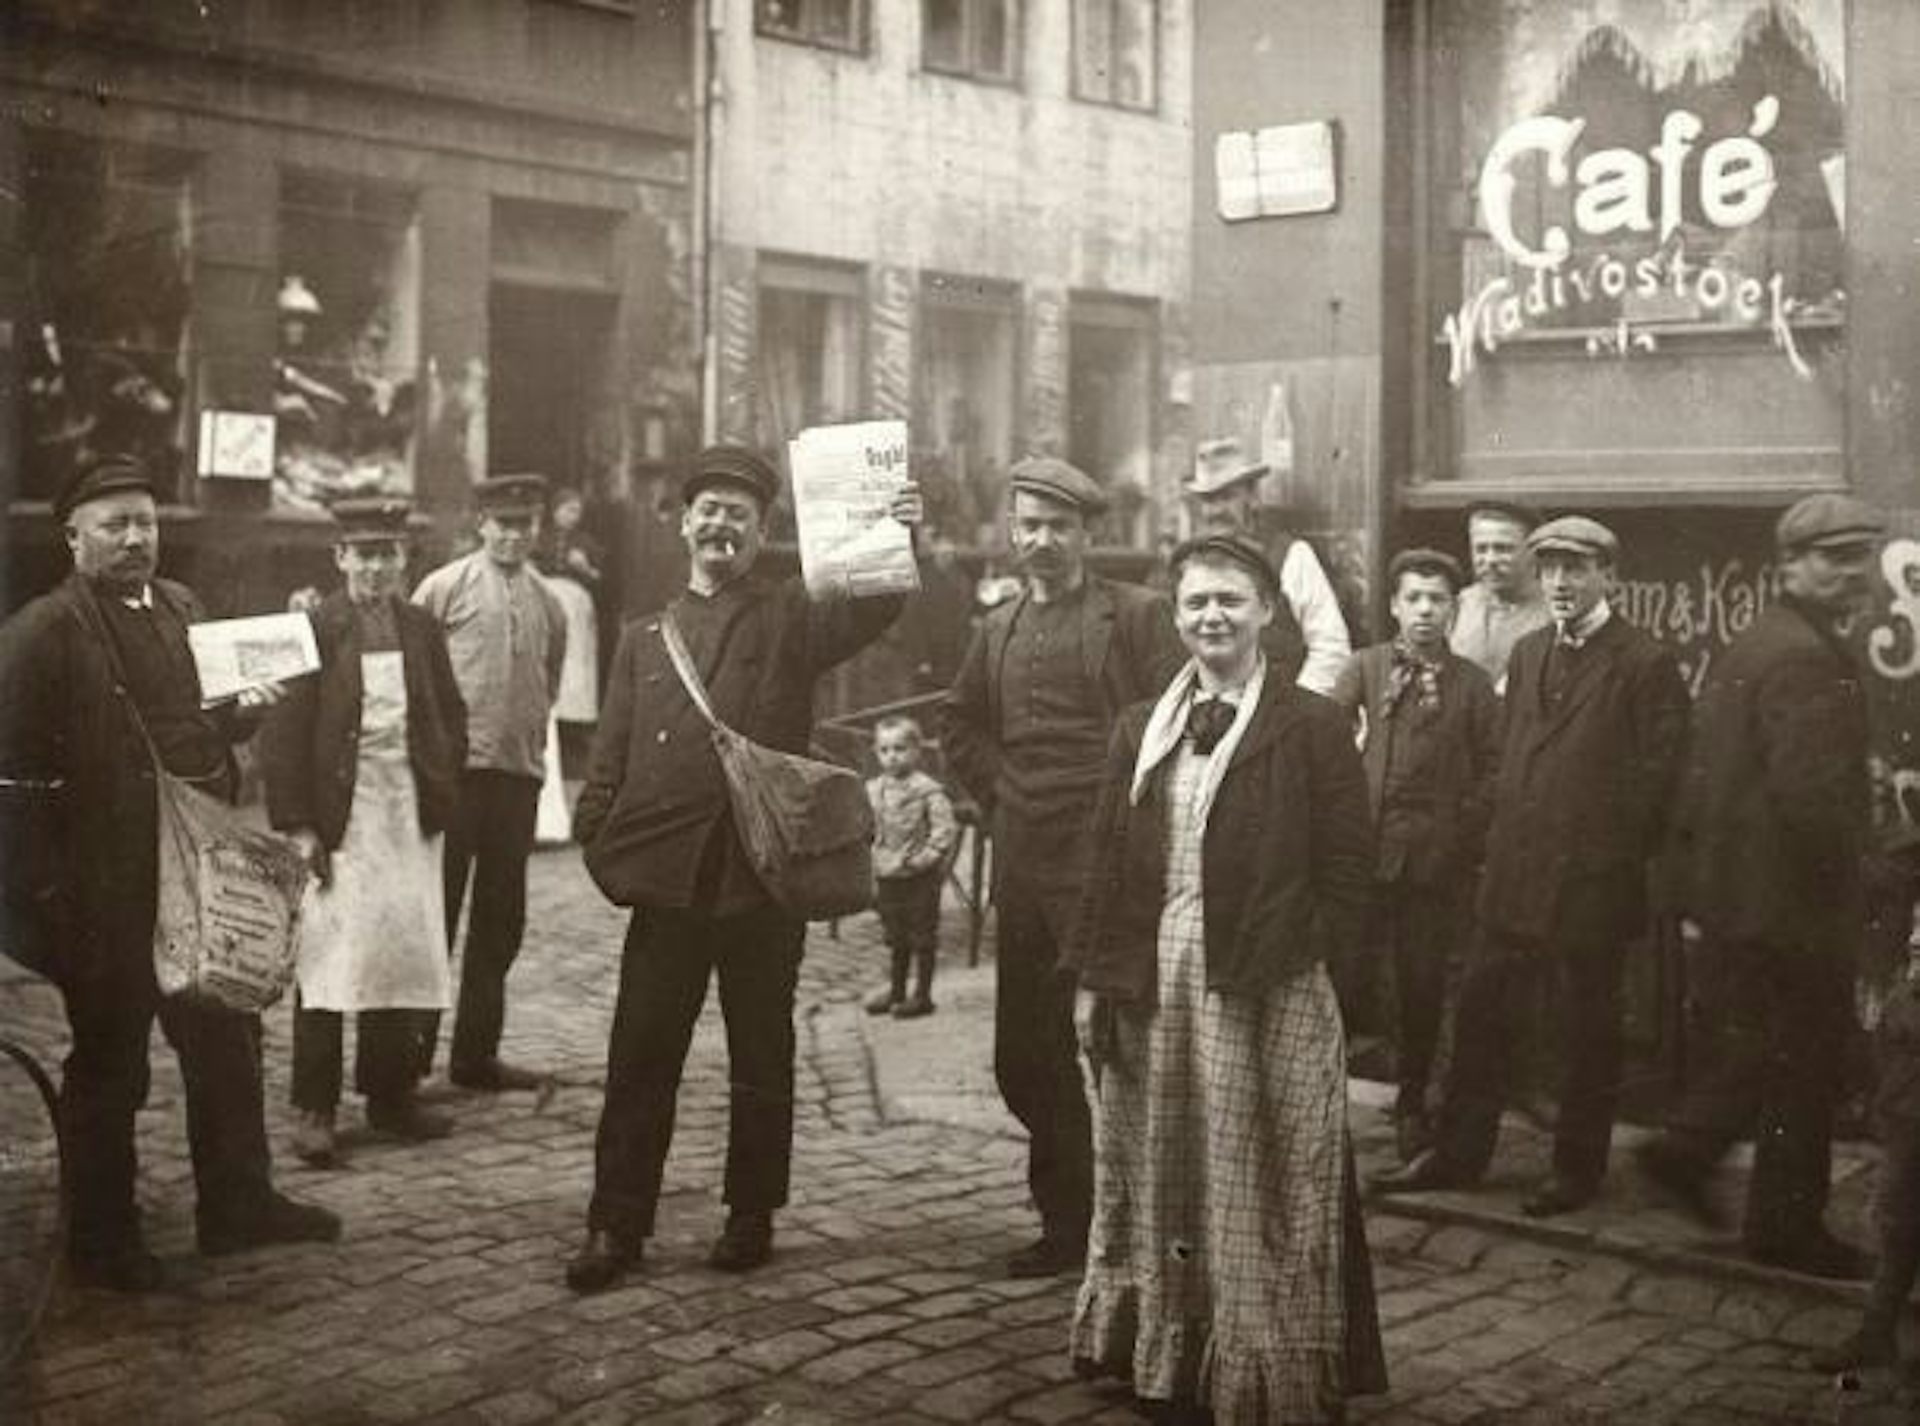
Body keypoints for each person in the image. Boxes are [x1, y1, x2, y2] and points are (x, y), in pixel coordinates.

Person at [566, 444, 922, 1291]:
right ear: (684, 524)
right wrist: (599, 844)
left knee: (762, 1053)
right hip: (668, 882)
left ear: (763, 534)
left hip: (762, 877)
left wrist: (899, 536)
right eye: (710, 510)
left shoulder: (792, 616)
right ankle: (616, 1224)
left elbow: (871, 605)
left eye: (741, 514)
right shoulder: (642, 639)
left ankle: (751, 1212)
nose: (722, 525)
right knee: (640, 1056)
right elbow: (609, 760)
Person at [1064, 533, 1386, 1423]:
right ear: (1176, 618)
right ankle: (1163, 1353)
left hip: (1265, 979)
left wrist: (1310, 965)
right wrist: (1094, 978)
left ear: (1267, 615)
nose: (1214, 617)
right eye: (1197, 602)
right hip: (1153, 974)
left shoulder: (1313, 725)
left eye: (1231, 602)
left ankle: (1260, 1366)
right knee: (1157, 1160)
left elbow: (1352, 872)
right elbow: (1104, 863)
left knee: (1259, 1175)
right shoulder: (1139, 727)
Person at [0, 453, 339, 1290]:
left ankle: (237, 1204)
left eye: (145, 522)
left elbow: (200, 730)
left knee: (227, 1038)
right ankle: (102, 1244)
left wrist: (240, 718)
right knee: (111, 1064)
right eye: (113, 525)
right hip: (103, 893)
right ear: (72, 536)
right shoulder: (41, 633)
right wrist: (50, 904)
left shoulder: (181, 607)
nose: (133, 540)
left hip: (197, 873)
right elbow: (12, 786)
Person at [1374, 516, 1689, 1217]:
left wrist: (1601, 853)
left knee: (1585, 1031)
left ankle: (1576, 1170)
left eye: (1576, 569)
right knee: (1482, 1014)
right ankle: (1457, 1155)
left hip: (1589, 881)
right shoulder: (1528, 653)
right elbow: (1517, 756)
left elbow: (1659, 784)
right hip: (1514, 871)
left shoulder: (1643, 662)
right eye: (1548, 569)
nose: (1560, 583)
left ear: (1610, 576)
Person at [941, 456, 1185, 1279]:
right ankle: (1068, 1221)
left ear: (1089, 535)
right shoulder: (996, 629)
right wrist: (999, 797)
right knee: (1026, 1053)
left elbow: (1176, 718)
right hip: (1026, 862)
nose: (1043, 541)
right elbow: (962, 727)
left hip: (1110, 861)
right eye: (1030, 526)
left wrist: (1132, 811)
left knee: (1119, 1047)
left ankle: (1145, 1225)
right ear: (1013, 535)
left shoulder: (1138, 617)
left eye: (1060, 527)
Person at [1637, 493, 1887, 1279]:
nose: (1853, 573)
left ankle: (1698, 1161)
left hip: (1743, 899)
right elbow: (1809, 797)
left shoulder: (1759, 640)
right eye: (1833, 558)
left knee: (1771, 1060)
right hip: (1793, 903)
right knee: (1803, 1066)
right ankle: (1768, 1215)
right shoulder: (1805, 655)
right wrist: (1869, 870)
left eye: (1860, 555)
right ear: (1789, 565)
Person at [261, 497, 467, 1166]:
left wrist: (442, 780)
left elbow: (449, 711)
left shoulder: (421, 627)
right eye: (364, 554)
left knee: (397, 953)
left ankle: (389, 1095)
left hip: (407, 812)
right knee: (327, 960)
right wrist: (298, 826)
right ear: (340, 557)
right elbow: (284, 738)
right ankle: (313, 1106)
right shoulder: (315, 628)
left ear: (404, 559)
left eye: (388, 554)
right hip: (338, 820)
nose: (377, 567)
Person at [1329, 548, 1500, 1164]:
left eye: (1438, 600)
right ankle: (1324, 1106)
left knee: (1422, 985)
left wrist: (1457, 828)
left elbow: (1495, 770)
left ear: (1454, 610)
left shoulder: (1473, 687)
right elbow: (1323, 743)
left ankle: (1410, 1104)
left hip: (1432, 864)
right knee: (1342, 977)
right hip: (1361, 857)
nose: (1426, 611)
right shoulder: (1365, 668)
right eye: (1415, 599)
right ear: (1395, 606)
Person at [412, 473, 567, 1091]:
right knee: (436, 917)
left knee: (501, 920)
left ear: (538, 528)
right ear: (481, 524)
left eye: (525, 523)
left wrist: (523, 748)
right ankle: (409, 1063)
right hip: (452, 778)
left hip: (515, 780)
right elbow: (414, 674)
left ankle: (476, 1057)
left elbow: (548, 685)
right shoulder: (443, 588)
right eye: (503, 523)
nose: (513, 534)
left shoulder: (550, 602)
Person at [1184, 435, 1351, 694]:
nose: (1214, 511)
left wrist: (1295, 713)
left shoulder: (1291, 555)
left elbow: (1330, 648)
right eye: (1207, 500)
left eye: (1226, 497)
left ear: (1252, 496)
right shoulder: (1187, 565)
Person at [862, 714, 959, 1019]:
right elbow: (865, 828)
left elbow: (944, 830)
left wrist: (925, 859)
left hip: (919, 877)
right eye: (885, 750)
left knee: (922, 936)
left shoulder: (927, 790)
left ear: (917, 751)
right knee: (896, 935)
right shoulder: (873, 790)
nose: (892, 757)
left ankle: (923, 995)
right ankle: (897, 990)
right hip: (888, 874)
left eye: (900, 749)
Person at [535, 486, 604, 768]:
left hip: (576, 605)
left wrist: (585, 568)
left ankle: (574, 720)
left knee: (575, 660)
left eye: (577, 511)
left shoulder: (586, 542)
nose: (572, 516)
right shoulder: (541, 539)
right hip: (547, 598)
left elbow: (601, 580)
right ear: (555, 511)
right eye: (568, 509)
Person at [1449, 501, 1551, 691]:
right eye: (1481, 549)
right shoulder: (1458, 604)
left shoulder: (1555, 612)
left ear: (1533, 552)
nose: (1490, 560)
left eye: (1503, 549)